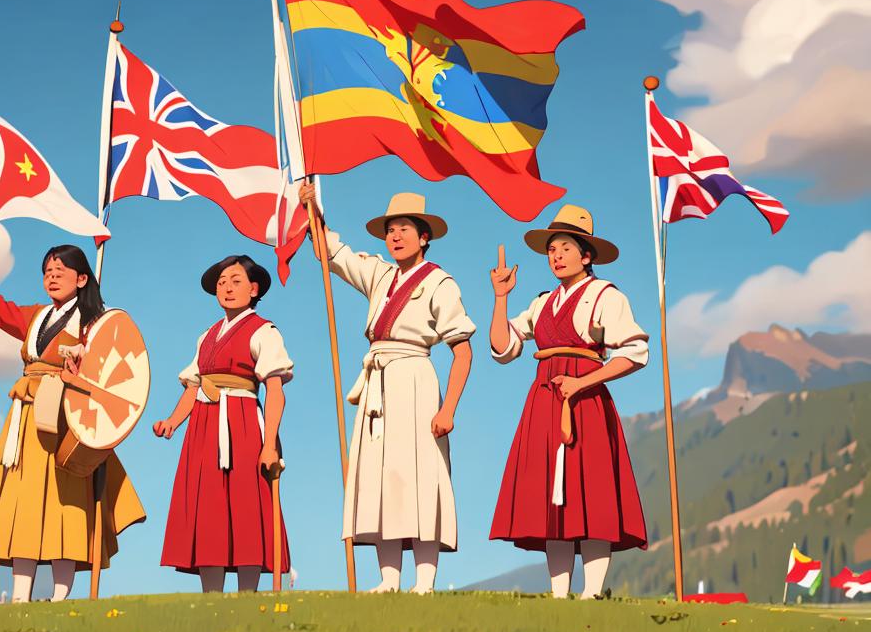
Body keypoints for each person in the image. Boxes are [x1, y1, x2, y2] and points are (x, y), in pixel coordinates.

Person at [300, 186, 474, 594]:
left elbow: (462, 351)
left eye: (404, 229)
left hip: (414, 377)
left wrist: (448, 409)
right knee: (380, 477)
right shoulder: (379, 274)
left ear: (424, 236)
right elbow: (333, 254)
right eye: (390, 230)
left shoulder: (439, 283)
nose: (395, 237)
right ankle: (388, 579)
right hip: (377, 381)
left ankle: (425, 581)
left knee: (420, 475)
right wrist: (314, 210)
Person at [0, 245, 145, 602]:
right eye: (47, 271)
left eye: (61, 270)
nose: (52, 276)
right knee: (22, 499)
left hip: (66, 416)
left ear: (82, 278)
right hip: (26, 414)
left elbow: (113, 370)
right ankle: (20, 593)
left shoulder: (96, 324)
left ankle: (60, 594)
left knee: (64, 503)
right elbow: (3, 312)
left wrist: (82, 369)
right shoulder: (38, 316)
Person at [488, 204, 648, 599]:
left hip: (587, 401)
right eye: (551, 249)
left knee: (591, 492)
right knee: (551, 497)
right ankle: (559, 595)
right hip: (545, 400)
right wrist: (501, 298)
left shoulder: (604, 296)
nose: (556, 256)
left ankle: (592, 592)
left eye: (565, 248)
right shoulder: (542, 303)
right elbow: (504, 347)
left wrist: (582, 384)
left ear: (587, 255)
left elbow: (635, 352)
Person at [155, 255, 292, 592]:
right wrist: (173, 421)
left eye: (235, 281)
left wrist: (270, 443)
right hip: (204, 426)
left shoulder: (264, 331)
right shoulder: (207, 336)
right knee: (208, 508)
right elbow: (194, 385)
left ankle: (248, 593)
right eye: (221, 283)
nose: (227, 288)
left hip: (243, 423)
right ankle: (211, 597)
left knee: (246, 503)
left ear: (254, 288)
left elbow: (275, 390)